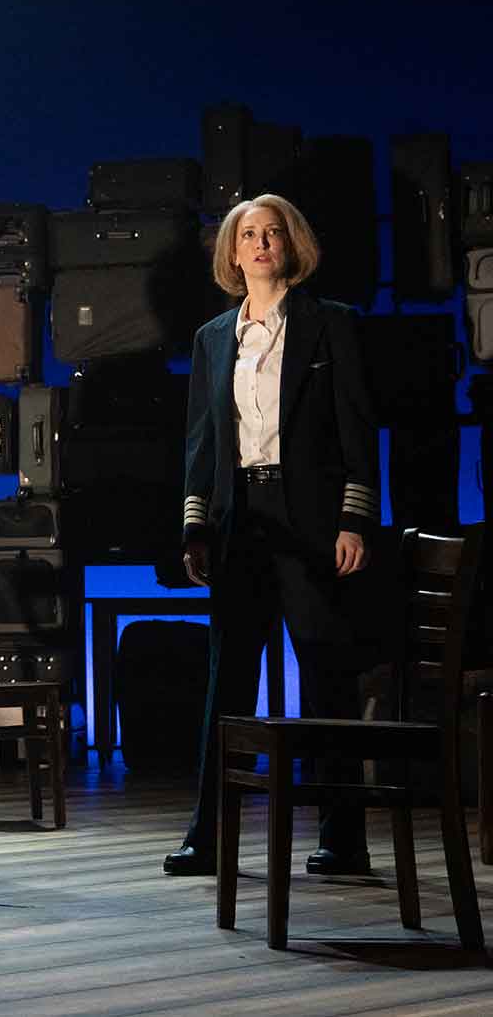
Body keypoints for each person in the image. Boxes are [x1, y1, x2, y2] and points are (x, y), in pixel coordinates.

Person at [162, 194, 381, 877]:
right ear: (231, 253)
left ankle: (344, 836)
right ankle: (209, 833)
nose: (260, 243)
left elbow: (357, 427)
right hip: (240, 525)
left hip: (312, 521)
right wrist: (196, 524)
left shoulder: (331, 325)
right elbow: (201, 442)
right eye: (247, 234)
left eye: (272, 232)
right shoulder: (212, 338)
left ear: (293, 243)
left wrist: (354, 518)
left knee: (325, 676)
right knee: (227, 681)